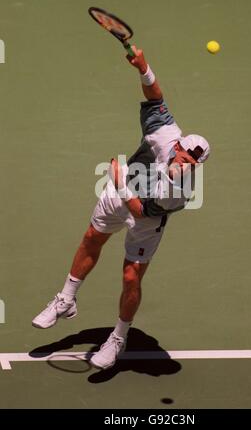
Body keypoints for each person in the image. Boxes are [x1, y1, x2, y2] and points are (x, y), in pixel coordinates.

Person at [32, 45, 210, 370]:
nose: (184, 165)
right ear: (179, 146)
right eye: (183, 158)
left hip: (140, 213)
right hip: (120, 191)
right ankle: (66, 299)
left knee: (131, 277)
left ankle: (118, 337)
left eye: (191, 164)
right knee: (91, 238)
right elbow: (156, 98)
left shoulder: (180, 193)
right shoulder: (165, 134)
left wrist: (118, 179)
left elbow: (141, 211)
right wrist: (143, 67)